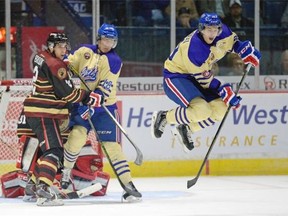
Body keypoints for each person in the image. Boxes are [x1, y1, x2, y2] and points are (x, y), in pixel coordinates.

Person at [151, 12, 261, 151]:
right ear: (201, 29)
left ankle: (187, 128)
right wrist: (223, 89)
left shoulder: (223, 32)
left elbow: (234, 43)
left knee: (222, 108)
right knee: (201, 110)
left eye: (216, 29)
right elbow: (204, 80)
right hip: (177, 76)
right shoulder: (195, 49)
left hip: (198, 75)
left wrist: (244, 49)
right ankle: (164, 116)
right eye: (209, 29)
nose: (213, 33)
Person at [61, 23, 142, 202]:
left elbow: (105, 87)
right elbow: (70, 64)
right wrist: (65, 61)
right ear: (99, 39)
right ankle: (65, 174)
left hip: (105, 108)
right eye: (105, 39)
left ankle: (128, 185)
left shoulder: (114, 60)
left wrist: (94, 102)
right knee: (77, 137)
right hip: (83, 103)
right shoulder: (85, 51)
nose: (108, 43)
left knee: (112, 147)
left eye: (112, 40)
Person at [21, 32, 103, 206]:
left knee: (45, 152)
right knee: (55, 152)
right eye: (60, 46)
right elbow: (70, 94)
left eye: (65, 46)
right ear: (51, 47)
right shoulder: (55, 64)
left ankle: (32, 186)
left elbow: (54, 80)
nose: (64, 49)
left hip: (34, 112)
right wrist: (87, 96)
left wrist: (64, 69)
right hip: (44, 113)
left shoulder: (41, 56)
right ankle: (43, 191)